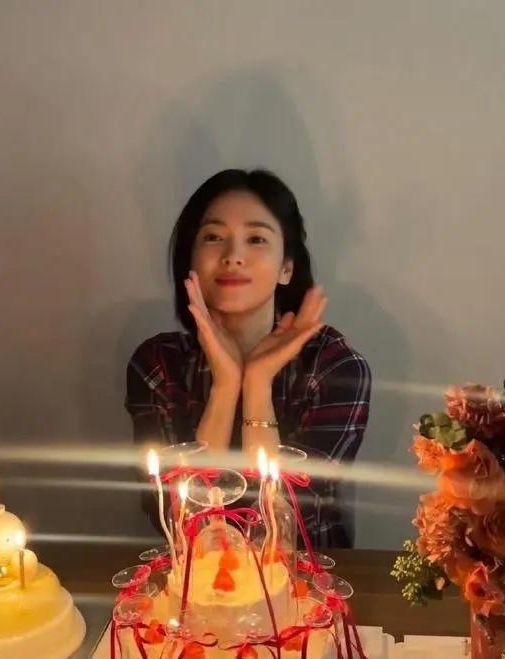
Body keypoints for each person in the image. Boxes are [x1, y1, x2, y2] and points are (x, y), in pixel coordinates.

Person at [125, 168, 371, 548]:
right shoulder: (158, 364)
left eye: (256, 239)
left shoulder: (335, 367)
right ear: (190, 260)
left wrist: (257, 383)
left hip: (306, 577)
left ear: (286, 267)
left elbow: (286, 524)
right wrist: (225, 387)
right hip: (197, 579)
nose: (233, 257)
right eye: (213, 237)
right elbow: (179, 522)